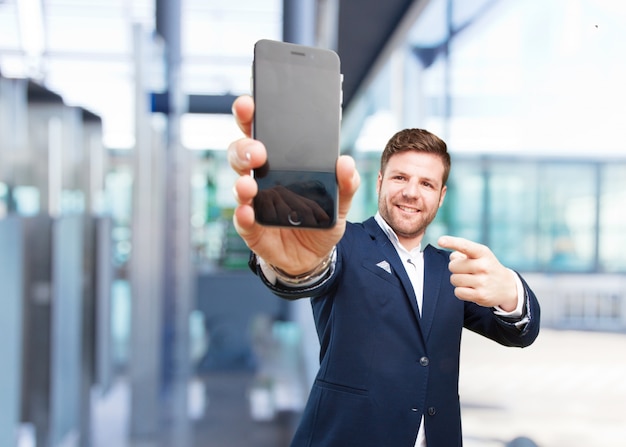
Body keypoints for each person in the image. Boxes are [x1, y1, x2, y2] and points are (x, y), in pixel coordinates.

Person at [228, 95, 540, 447]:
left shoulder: (451, 271)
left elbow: (520, 334)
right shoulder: (345, 243)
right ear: (379, 181)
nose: (411, 192)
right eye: (400, 177)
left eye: (426, 184)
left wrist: (511, 293)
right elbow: (310, 268)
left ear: (441, 196)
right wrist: (289, 264)